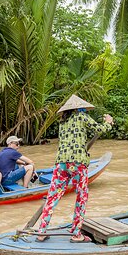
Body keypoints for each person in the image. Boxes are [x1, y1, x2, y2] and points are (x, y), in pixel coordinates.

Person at [36, 95, 113, 243]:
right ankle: (76, 233)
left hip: (61, 164)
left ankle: (41, 231)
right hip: (77, 163)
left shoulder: (63, 122)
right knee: (81, 197)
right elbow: (100, 129)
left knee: (52, 197)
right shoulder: (81, 116)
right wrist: (108, 122)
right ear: (79, 108)